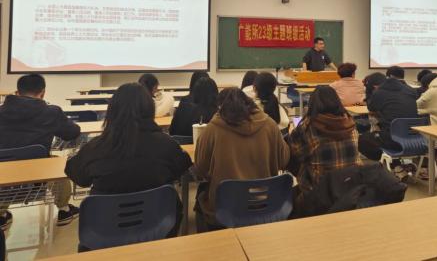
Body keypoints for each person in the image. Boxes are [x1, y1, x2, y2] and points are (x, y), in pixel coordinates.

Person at [66, 83, 192, 237]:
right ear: (149, 110)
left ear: (112, 111)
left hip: (105, 232)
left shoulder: (95, 147)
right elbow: (183, 166)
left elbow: (79, 176)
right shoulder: (166, 144)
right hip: (160, 226)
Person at [194, 88, 289, 229]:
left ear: (220, 107)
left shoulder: (212, 130)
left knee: (201, 198)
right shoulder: (270, 125)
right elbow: (284, 160)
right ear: (250, 103)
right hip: (266, 202)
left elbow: (200, 168)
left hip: (226, 206)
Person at [0, 74, 81, 229]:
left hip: (3, 174)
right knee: (58, 163)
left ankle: (1, 214)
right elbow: (72, 133)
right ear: (43, 92)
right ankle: (64, 209)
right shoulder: (51, 112)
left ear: (17, 92)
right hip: (38, 176)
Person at [287, 86, 362, 209]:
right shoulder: (349, 122)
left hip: (321, 192)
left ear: (312, 104)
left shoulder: (308, 127)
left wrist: (292, 134)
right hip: (352, 187)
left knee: (296, 158)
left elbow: (296, 154)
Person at [358, 72, 418, 161]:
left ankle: (386, 162)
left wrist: (369, 93)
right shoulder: (410, 90)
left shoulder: (379, 93)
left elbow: (371, 108)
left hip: (394, 139)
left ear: (374, 86)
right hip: (416, 138)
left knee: (362, 139)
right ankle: (395, 163)